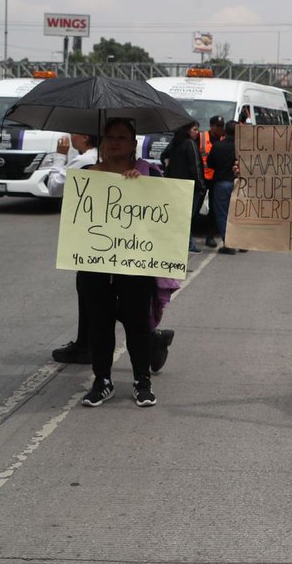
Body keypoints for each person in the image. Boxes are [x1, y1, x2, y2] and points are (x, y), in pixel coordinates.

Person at [78, 118, 159, 407]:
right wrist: (94, 178)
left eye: (122, 137)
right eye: (109, 136)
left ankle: (142, 381)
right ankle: (102, 381)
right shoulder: (87, 173)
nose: (114, 142)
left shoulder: (148, 174)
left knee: (138, 324)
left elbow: (163, 214)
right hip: (94, 265)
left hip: (135, 264)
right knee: (99, 324)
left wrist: (143, 187)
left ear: (133, 143)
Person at [46, 133, 98, 364]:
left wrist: (59, 157)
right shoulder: (102, 160)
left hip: (88, 235)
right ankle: (84, 342)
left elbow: (54, 187)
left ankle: (151, 339)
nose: (70, 138)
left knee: (90, 291)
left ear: (85, 137)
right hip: (104, 235)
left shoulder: (83, 161)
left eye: (73, 134)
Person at [161, 120, 205, 253]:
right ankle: (189, 245)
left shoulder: (175, 142)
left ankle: (186, 244)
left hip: (174, 185)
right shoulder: (190, 144)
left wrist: (169, 168)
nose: (198, 133)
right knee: (186, 217)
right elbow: (196, 167)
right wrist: (201, 185)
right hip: (189, 186)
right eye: (195, 130)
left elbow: (163, 156)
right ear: (187, 130)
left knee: (180, 216)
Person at [205, 120, 237, 254]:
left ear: (225, 131)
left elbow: (210, 163)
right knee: (237, 215)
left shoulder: (218, 146)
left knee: (223, 215)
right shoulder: (241, 146)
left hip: (221, 183)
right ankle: (241, 242)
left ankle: (229, 244)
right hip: (238, 183)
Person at [200, 116, 222, 247]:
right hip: (202, 177)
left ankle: (210, 236)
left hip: (215, 178)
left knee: (213, 209)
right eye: (218, 126)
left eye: (221, 125)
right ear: (211, 126)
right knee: (195, 206)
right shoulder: (202, 137)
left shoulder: (224, 139)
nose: (220, 128)